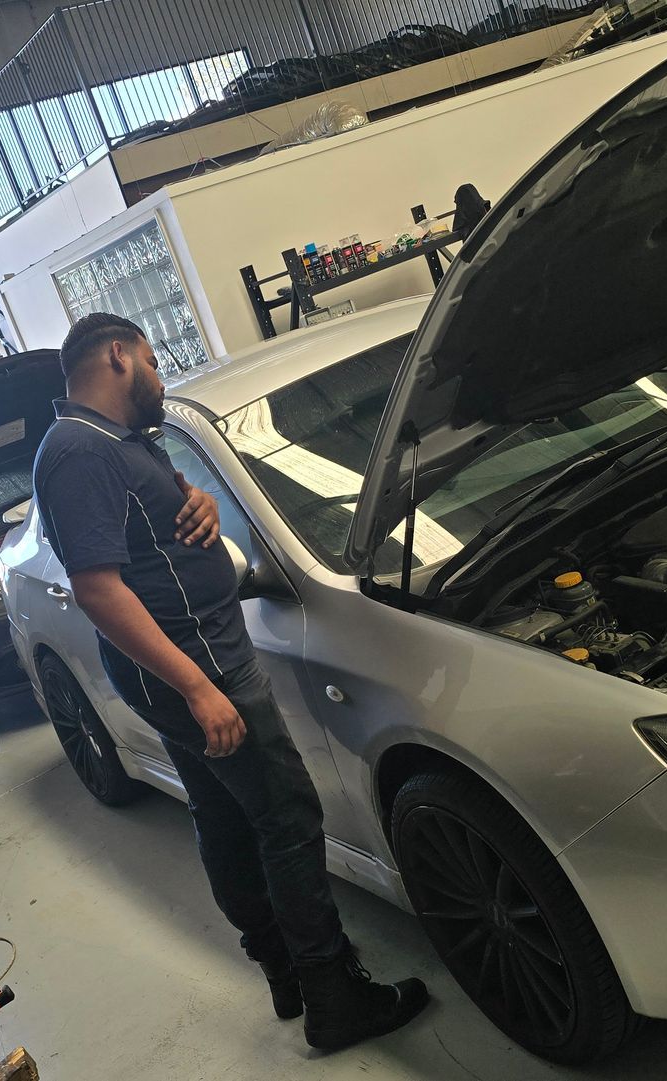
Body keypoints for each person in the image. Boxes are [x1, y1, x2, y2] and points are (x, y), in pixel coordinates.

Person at [31, 313, 429, 1051]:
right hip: (202, 665)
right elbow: (98, 588)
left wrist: (205, 501)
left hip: (196, 659)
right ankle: (334, 992)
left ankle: (284, 970)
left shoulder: (120, 440)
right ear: (117, 354)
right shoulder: (78, 451)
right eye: (150, 360)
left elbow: (158, 520)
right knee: (287, 817)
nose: (158, 375)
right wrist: (198, 687)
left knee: (224, 817)